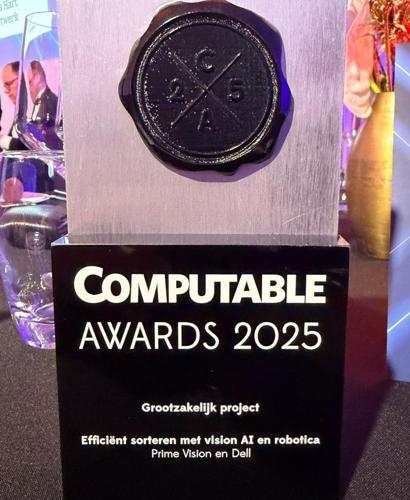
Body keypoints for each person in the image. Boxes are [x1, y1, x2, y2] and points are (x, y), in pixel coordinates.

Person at [0, 61, 26, 151]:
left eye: (8, 84)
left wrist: (2, 140)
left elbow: (32, 146)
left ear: (22, 79)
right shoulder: (20, 111)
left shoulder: (39, 108)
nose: (6, 91)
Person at [27, 60, 58, 125]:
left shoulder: (50, 100)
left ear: (37, 77)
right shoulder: (39, 100)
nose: (30, 87)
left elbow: (49, 126)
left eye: (30, 82)